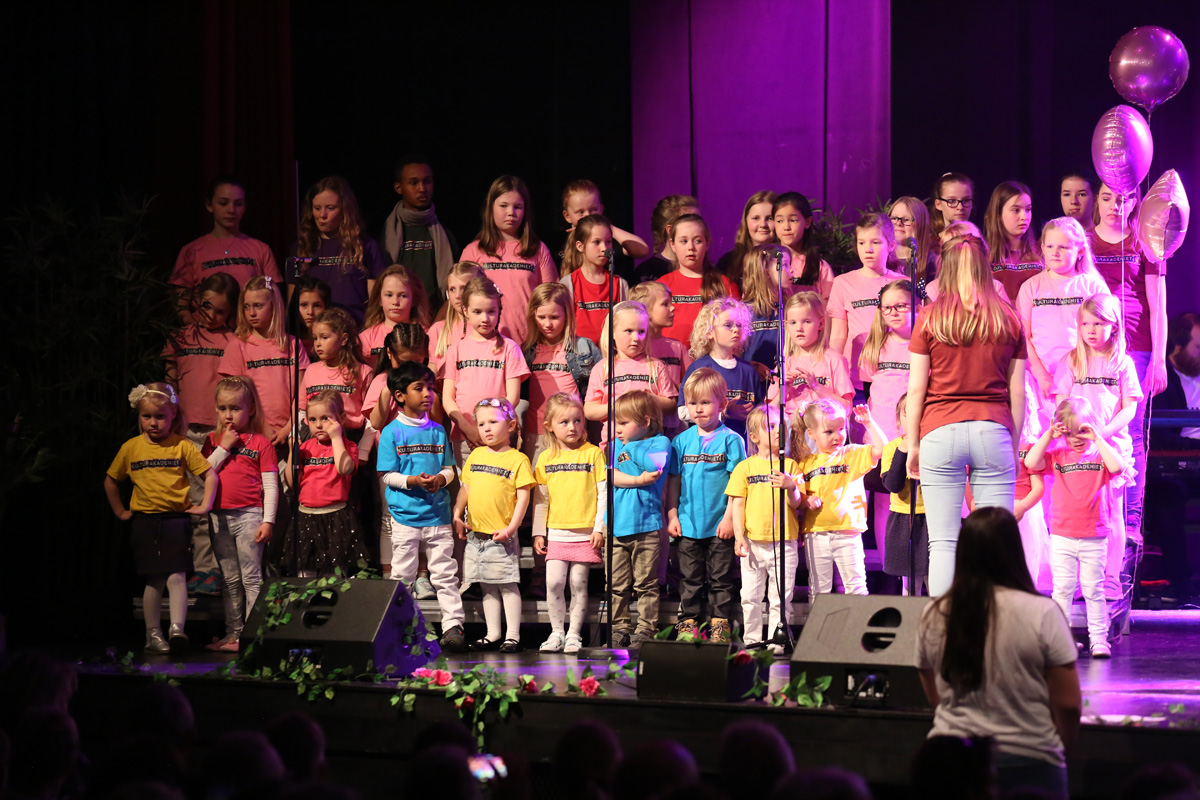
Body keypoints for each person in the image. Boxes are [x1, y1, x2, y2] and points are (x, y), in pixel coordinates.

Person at [917, 507, 1081, 798]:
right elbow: (1068, 704)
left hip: (952, 757)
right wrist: (1059, 749)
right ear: (1014, 551)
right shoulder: (1043, 612)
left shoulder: (935, 612)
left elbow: (933, 695)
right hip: (1030, 757)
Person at [907, 233, 1026, 595]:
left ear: (945, 268)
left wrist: (913, 444)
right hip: (993, 430)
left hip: (940, 431)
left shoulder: (930, 318)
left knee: (943, 542)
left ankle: (944, 623)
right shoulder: (1008, 318)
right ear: (985, 267)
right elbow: (1017, 393)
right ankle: (993, 622)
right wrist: (1013, 444)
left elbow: (916, 389)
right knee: (995, 544)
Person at [104, 383, 217, 654]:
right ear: (139, 417)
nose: (153, 423)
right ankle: (152, 635)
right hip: (145, 522)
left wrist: (205, 505)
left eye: (160, 417)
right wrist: (120, 511)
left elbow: (210, 475)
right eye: (147, 416)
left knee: (177, 576)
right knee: (154, 579)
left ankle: (177, 630)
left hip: (175, 520)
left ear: (173, 415)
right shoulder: (131, 447)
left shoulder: (182, 445)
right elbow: (111, 481)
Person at [1088, 182, 1169, 545]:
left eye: (1122, 199)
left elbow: (1157, 304)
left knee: (1132, 434)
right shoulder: (1086, 241)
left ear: (1134, 201)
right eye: (1107, 198)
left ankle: (1130, 522)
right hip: (1093, 348)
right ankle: (1095, 518)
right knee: (1092, 429)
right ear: (1097, 200)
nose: (1114, 206)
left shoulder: (1144, 242)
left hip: (1136, 348)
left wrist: (1159, 359)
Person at [1053, 293, 1142, 611]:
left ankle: (1110, 578)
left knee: (1112, 514)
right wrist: (1070, 432)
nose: (1091, 330)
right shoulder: (1071, 361)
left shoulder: (1122, 363)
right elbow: (1061, 400)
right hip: (1076, 449)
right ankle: (1081, 579)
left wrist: (1102, 434)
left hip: (1110, 448)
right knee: (1078, 512)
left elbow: (1129, 409)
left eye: (1099, 324)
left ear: (1114, 326)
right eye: (1085, 324)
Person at [1026, 397, 1128, 658]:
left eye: (1081, 431)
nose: (1075, 438)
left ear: (1091, 426)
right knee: (1062, 590)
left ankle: (1098, 639)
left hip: (1094, 535)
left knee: (1094, 589)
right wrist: (1050, 435)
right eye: (1069, 433)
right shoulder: (1058, 455)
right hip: (1063, 535)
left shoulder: (1101, 454)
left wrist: (1098, 438)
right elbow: (1031, 463)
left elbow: (1117, 467)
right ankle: (1061, 641)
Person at [376, 360, 465, 652]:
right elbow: (387, 475)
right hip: (405, 518)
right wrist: (413, 481)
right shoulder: (391, 432)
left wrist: (440, 479)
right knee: (403, 575)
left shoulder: (438, 431)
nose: (428, 394)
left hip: (437, 516)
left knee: (445, 574)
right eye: (419, 388)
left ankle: (453, 625)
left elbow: (449, 469)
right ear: (400, 395)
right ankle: (401, 629)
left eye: (430, 388)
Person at [163, 271, 239, 588]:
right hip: (185, 432)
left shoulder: (234, 341)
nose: (211, 316)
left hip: (218, 432)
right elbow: (169, 382)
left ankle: (222, 569)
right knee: (195, 500)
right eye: (207, 306)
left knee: (218, 501)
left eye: (221, 311)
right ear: (196, 301)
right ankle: (204, 567)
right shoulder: (179, 338)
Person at [667, 369, 745, 643]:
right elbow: (674, 481)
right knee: (690, 578)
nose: (698, 409)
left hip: (720, 524)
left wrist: (729, 518)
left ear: (722, 404)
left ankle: (719, 625)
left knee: (720, 579)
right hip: (688, 524)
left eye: (705, 402)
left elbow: (738, 485)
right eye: (692, 403)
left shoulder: (732, 440)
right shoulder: (680, 441)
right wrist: (672, 514)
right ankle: (688, 623)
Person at [453, 398, 535, 652]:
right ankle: (493, 633)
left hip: (501, 535)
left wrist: (511, 528)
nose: (486, 428)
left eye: (493, 422)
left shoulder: (517, 459)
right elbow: (466, 488)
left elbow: (523, 497)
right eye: (481, 424)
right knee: (486, 585)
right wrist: (457, 512)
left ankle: (513, 636)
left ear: (510, 426)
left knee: (507, 585)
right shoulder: (476, 455)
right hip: (476, 535)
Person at [202, 377, 277, 652]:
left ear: (251, 409)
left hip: (249, 516)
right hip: (219, 517)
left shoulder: (261, 443)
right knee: (230, 578)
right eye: (223, 408)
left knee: (251, 577)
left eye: (235, 408)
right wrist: (223, 446)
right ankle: (232, 634)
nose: (228, 415)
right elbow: (203, 472)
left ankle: (251, 636)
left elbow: (271, 485)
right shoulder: (212, 441)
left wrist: (268, 520)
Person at [727, 404, 807, 652]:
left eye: (780, 426)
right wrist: (739, 536)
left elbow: (797, 503)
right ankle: (752, 641)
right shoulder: (745, 467)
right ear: (754, 436)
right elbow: (738, 504)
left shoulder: (791, 466)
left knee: (780, 597)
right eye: (770, 427)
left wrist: (791, 487)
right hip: (753, 542)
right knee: (750, 596)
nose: (777, 431)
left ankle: (776, 642)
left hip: (784, 542)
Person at [532, 394, 606, 654]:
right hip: (557, 532)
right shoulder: (545, 458)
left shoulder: (593, 454)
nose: (572, 427)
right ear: (549, 426)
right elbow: (541, 498)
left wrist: (599, 528)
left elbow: (603, 493)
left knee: (578, 582)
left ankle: (574, 634)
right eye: (564, 422)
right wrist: (539, 532)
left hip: (585, 533)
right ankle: (556, 632)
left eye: (577, 421)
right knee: (553, 582)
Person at [1017, 217, 1110, 419]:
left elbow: (1106, 334)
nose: (1055, 252)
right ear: (1042, 248)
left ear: (1080, 250)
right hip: (1044, 381)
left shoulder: (1092, 286)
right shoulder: (1031, 287)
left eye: (1063, 247)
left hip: (1085, 377)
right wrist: (1041, 375)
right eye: (1050, 246)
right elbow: (1023, 337)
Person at [792, 400, 884, 596]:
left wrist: (868, 423)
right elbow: (797, 498)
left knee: (856, 588)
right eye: (829, 432)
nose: (838, 436)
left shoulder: (851, 454)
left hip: (848, 532)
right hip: (816, 534)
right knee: (819, 590)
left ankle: (857, 619)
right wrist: (806, 500)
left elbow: (882, 449)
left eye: (841, 429)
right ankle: (820, 619)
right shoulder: (805, 464)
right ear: (811, 434)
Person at [459, 175, 559, 343]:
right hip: (485, 343)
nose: (511, 213)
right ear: (491, 207)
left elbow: (552, 297)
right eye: (503, 206)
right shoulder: (473, 251)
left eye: (517, 207)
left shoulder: (538, 249)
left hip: (529, 343)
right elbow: (460, 300)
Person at [441, 277, 529, 465]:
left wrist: (491, 427)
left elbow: (512, 397)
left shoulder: (509, 348)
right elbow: (448, 398)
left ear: (499, 310)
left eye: (491, 311)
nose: (485, 318)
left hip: (499, 437)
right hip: (464, 437)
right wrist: (467, 428)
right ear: (465, 311)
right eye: (477, 312)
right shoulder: (456, 350)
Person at [170, 176, 282, 324]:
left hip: (249, 333)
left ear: (245, 207)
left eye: (238, 204)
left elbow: (275, 301)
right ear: (209, 205)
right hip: (205, 334)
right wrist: (196, 332)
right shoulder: (191, 251)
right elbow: (180, 306)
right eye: (223, 203)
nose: (231, 210)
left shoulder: (261, 249)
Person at [608, 391, 671, 648]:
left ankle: (646, 628)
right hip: (617, 526)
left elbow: (654, 469)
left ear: (645, 422)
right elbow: (612, 476)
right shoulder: (615, 445)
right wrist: (637, 479)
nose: (618, 429)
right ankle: (619, 628)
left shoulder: (661, 442)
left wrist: (629, 450)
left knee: (646, 583)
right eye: (616, 423)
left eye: (624, 423)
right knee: (616, 584)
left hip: (646, 525)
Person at [280, 391, 365, 577]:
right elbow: (293, 484)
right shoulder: (305, 448)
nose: (318, 425)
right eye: (312, 419)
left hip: (336, 517)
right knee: (306, 572)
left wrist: (336, 437)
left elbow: (344, 469)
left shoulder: (347, 446)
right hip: (306, 517)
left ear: (341, 419)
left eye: (325, 418)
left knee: (334, 574)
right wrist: (292, 453)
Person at [218, 276, 309, 448]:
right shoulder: (238, 345)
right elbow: (231, 397)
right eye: (247, 306)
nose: (251, 313)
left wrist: (289, 428)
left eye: (258, 306)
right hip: (251, 434)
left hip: (290, 434)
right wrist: (263, 426)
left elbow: (302, 393)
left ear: (274, 306)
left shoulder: (292, 344)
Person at [521, 283, 601, 469]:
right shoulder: (526, 351)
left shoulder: (584, 348)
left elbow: (601, 387)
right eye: (541, 317)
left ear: (567, 315)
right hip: (537, 434)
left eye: (554, 317)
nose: (547, 324)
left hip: (574, 433)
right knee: (540, 484)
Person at [829, 212, 907, 401]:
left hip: (893, 376)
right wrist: (834, 372)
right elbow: (838, 334)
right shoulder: (843, 283)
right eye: (862, 243)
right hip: (855, 379)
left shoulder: (903, 284)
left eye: (875, 242)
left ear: (890, 245)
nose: (868, 249)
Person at [292, 176, 389, 325]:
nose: (322, 215)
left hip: (356, 330)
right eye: (317, 208)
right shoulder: (303, 247)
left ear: (345, 209)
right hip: (314, 333)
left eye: (330, 208)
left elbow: (376, 302)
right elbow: (292, 303)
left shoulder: (366, 246)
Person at [584, 301, 679, 447]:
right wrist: (617, 404)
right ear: (612, 332)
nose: (636, 338)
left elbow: (671, 404)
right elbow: (589, 411)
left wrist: (647, 399)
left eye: (641, 332)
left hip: (650, 444)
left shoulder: (656, 366)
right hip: (615, 444)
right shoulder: (602, 368)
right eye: (629, 331)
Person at [380, 154, 460, 307]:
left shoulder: (445, 236)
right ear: (398, 188)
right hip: (396, 312)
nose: (422, 188)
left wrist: (441, 317)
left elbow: (455, 288)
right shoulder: (385, 234)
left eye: (427, 181)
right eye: (413, 183)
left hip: (436, 315)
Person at [680, 297, 764, 440]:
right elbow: (682, 411)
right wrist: (722, 413)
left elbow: (759, 412)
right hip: (708, 445)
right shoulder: (699, 368)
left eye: (739, 325)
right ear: (709, 332)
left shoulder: (748, 371)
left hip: (743, 444)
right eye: (728, 325)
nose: (735, 329)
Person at [656, 214, 739, 344]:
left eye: (698, 241)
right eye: (684, 241)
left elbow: (736, 328)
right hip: (669, 355)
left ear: (707, 244)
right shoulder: (661, 286)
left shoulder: (724, 285)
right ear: (672, 245)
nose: (691, 247)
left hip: (711, 355)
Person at [301, 308, 373, 439]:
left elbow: (370, 416)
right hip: (314, 438)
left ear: (344, 339)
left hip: (349, 437)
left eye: (324, 337)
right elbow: (301, 410)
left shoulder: (363, 372)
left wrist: (364, 447)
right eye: (315, 338)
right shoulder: (311, 370)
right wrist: (294, 435)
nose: (318, 344)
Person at [781, 291, 854, 421]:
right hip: (793, 427)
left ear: (820, 323)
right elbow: (770, 411)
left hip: (824, 425)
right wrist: (784, 390)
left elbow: (847, 408)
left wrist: (816, 387)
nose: (799, 328)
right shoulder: (785, 363)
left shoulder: (834, 360)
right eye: (793, 322)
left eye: (806, 321)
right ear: (786, 325)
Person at [880, 393, 927, 591]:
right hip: (903, 518)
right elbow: (893, 485)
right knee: (910, 581)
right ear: (899, 419)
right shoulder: (892, 448)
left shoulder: (934, 445)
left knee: (934, 576)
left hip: (930, 518)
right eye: (909, 412)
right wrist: (903, 450)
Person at [560, 214, 631, 345]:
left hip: (612, 352)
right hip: (580, 354)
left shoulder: (620, 284)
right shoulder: (568, 284)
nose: (604, 248)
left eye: (608, 241)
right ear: (580, 246)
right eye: (597, 242)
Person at [554, 178, 649, 276]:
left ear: (601, 209)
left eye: (594, 210)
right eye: (581, 212)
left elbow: (642, 250)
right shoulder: (558, 241)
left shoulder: (608, 239)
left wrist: (608, 227)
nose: (588, 216)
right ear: (567, 216)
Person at [359, 264, 433, 363]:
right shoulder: (366, 338)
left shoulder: (427, 335)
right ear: (379, 299)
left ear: (414, 300)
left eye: (403, 296)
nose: (395, 302)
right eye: (389, 295)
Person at [984, 181, 1043, 300]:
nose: (1024, 217)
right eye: (1016, 210)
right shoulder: (984, 254)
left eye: (1028, 209)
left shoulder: (1041, 251)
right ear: (998, 214)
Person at [428, 261, 486, 378]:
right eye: (452, 289)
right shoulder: (438, 330)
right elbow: (432, 369)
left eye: (464, 288)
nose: (458, 295)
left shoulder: (490, 328)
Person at [773, 192, 834, 304]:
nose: (786, 227)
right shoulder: (767, 262)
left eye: (793, 220)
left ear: (807, 222)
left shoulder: (820, 267)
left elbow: (829, 307)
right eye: (780, 221)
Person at [740, 243, 787, 375]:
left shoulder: (790, 308)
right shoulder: (743, 311)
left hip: (785, 380)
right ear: (766, 270)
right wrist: (753, 366)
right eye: (785, 265)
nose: (792, 270)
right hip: (753, 379)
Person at [633, 194, 699, 284]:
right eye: (689, 221)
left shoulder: (709, 271)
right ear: (670, 230)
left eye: (699, 220)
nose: (698, 227)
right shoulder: (648, 273)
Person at [715, 191, 777, 283]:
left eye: (770, 218)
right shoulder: (728, 262)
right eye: (756, 218)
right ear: (746, 221)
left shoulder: (786, 259)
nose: (763, 224)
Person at [890, 195, 936, 285]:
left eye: (906, 219)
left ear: (920, 224)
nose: (899, 223)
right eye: (894, 218)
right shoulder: (882, 258)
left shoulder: (931, 262)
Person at [291, 277, 331, 362]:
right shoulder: (289, 341)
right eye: (304, 305)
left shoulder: (333, 341)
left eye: (317, 306)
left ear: (326, 307)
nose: (310, 312)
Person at [929, 172, 976, 239]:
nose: (960, 207)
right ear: (938, 204)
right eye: (952, 201)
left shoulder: (980, 242)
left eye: (966, 200)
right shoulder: (929, 243)